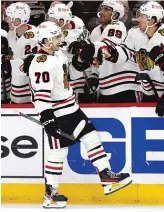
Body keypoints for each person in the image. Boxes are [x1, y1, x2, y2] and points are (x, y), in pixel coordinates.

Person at [26, 21, 132, 208]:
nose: (61, 39)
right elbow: (41, 95)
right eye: (56, 37)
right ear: (46, 41)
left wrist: (79, 50)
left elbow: (72, 55)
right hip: (58, 113)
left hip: (72, 108)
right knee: (58, 153)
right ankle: (50, 194)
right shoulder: (41, 64)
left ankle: (106, 177)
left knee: (92, 137)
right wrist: (47, 118)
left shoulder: (55, 52)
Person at [48, 2, 94, 103]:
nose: (49, 21)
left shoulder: (78, 25)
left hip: (80, 78)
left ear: (61, 20)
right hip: (62, 80)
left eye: (52, 19)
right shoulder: (54, 30)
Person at [5, 2, 38, 103]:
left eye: (9, 17)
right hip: (14, 89)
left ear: (18, 21)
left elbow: (25, 65)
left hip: (27, 92)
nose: (6, 20)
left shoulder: (32, 38)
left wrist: (7, 57)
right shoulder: (11, 33)